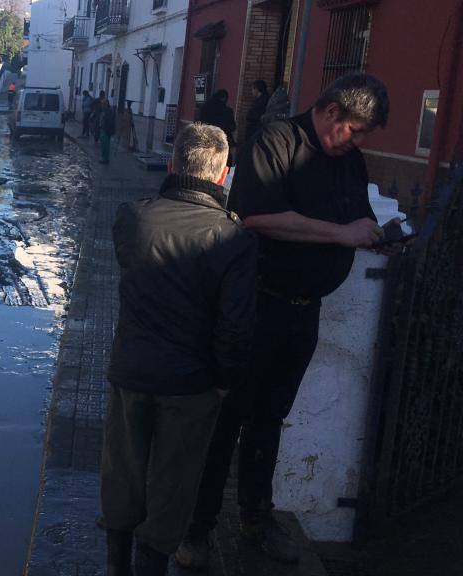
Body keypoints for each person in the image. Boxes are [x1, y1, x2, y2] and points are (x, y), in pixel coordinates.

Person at [174, 72, 392, 570]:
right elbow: (254, 217)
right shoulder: (276, 142)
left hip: (304, 313)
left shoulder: (349, 161)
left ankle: (257, 519)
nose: (357, 142)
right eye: (355, 130)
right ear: (333, 112)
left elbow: (357, 220)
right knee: (226, 420)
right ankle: (198, 528)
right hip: (259, 307)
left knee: (270, 419)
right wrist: (340, 234)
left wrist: (377, 235)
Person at [101, 122, 258, 576]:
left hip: (131, 371)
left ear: (172, 165)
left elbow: (129, 266)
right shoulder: (234, 239)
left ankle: (116, 565)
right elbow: (235, 327)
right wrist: (226, 380)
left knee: (123, 473)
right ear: (223, 174)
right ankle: (151, 565)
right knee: (173, 485)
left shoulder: (133, 218)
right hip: (190, 384)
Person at [198, 90, 237, 166]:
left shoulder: (205, 108)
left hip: (207, 140)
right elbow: (232, 127)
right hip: (222, 140)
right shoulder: (227, 111)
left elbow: (200, 123)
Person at [99, 96, 115, 163]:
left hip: (106, 130)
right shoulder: (104, 110)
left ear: (106, 104)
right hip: (103, 129)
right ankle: (103, 157)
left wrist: (108, 130)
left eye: (103, 104)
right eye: (102, 104)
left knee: (106, 145)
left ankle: (105, 159)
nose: (102, 106)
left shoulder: (109, 111)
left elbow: (110, 122)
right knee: (103, 144)